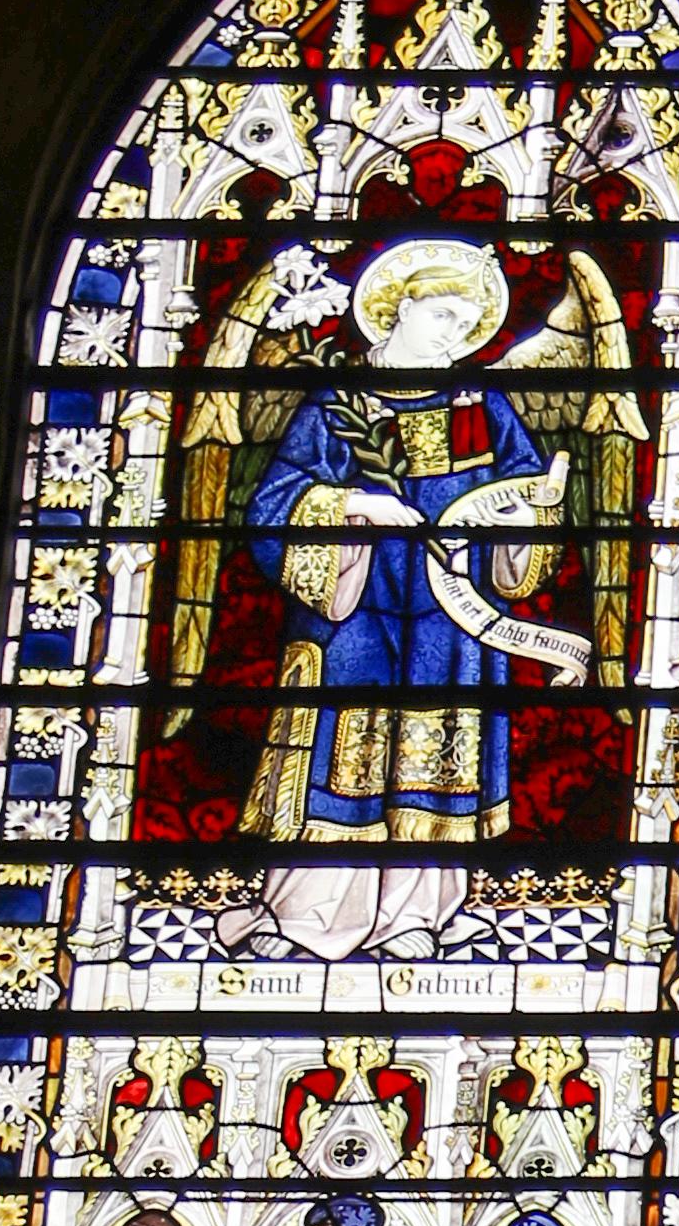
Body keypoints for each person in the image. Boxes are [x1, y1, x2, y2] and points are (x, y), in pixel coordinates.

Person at [230, 226, 596, 965]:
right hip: (356, 610)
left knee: (439, 759)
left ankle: (417, 916)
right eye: (442, 315)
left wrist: (524, 518)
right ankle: (308, 917)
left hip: (450, 615)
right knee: (342, 753)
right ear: (398, 308)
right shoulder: (336, 402)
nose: (453, 334)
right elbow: (273, 503)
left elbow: (530, 496)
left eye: (466, 324)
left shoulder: (482, 404)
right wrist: (355, 507)